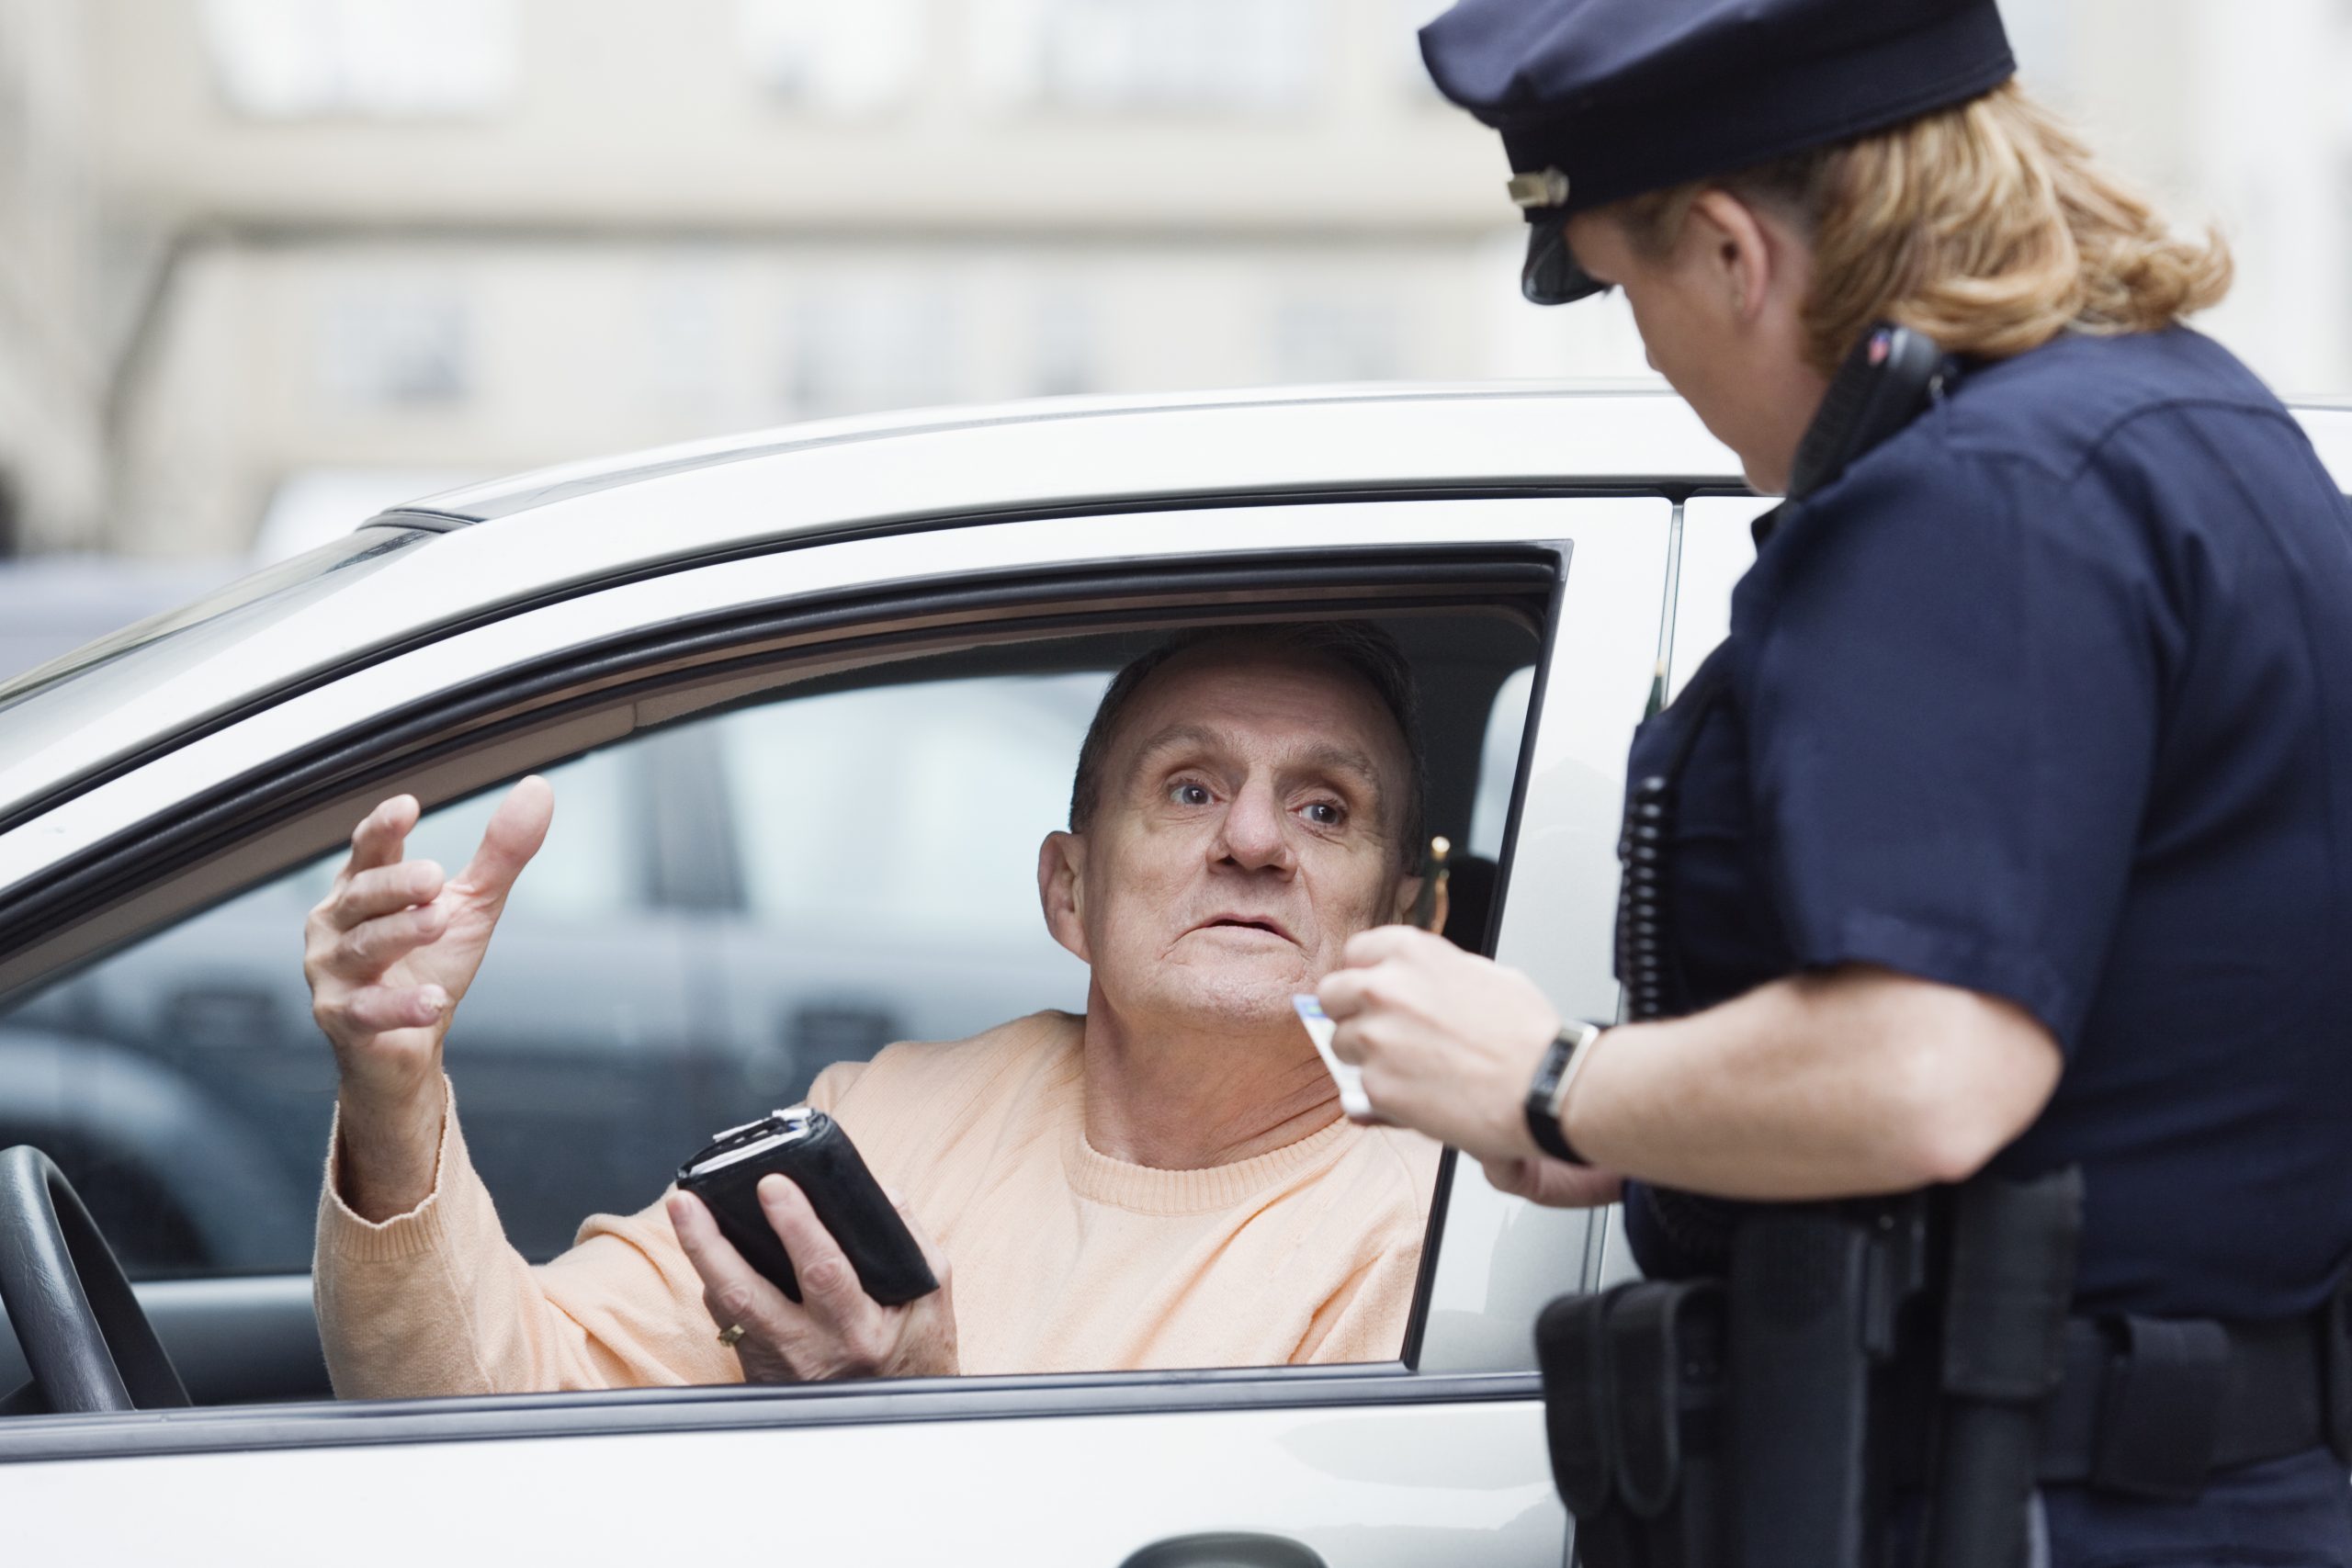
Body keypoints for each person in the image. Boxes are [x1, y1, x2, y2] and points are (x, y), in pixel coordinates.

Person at [1319, 1, 2352, 1562]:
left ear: (1735, 252)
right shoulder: (2196, 425)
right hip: (2202, 1485)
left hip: (2029, 1502)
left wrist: (1547, 1074)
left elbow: (1929, 1070)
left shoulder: (1966, 501)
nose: (1649, 348)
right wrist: (1649, 1121)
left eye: (1624, 287)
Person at [306, 625, 1441, 1396]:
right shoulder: (891, 1116)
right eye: (1190, 788)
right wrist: (393, 1092)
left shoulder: (1425, 1243)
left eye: (1325, 810)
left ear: (1411, 919)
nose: (1251, 841)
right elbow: (494, 1405)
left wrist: (907, 1427)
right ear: (1069, 891)